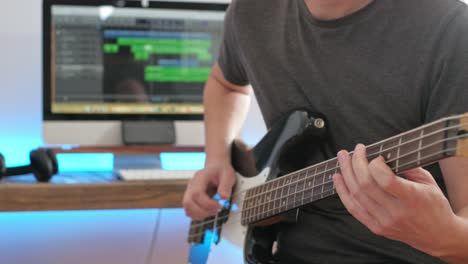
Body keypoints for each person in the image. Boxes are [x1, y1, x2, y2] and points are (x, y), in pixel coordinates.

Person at [183, 0, 468, 263]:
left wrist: (442, 236)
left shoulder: (451, 30)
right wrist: (216, 159)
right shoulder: (252, 10)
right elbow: (226, 83)